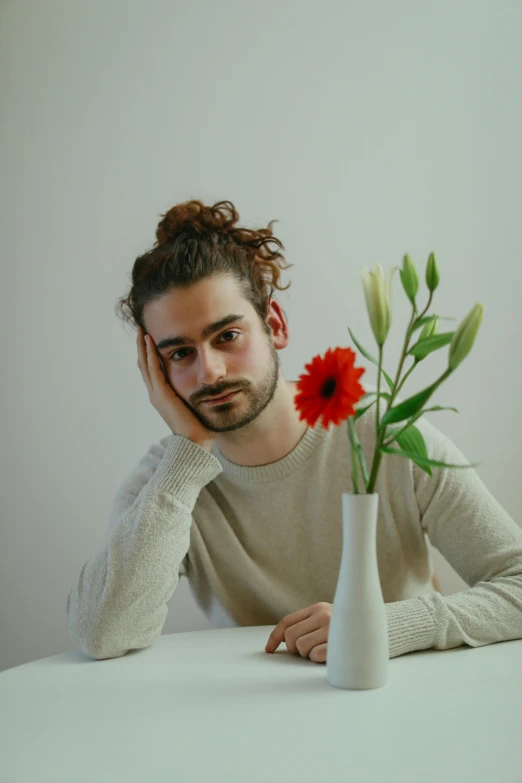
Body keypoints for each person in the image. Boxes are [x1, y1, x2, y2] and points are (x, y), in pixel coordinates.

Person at [66, 199, 522, 663]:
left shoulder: (388, 437)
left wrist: (381, 626)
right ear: (154, 370)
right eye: (180, 353)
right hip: (259, 716)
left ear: (275, 325)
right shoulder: (164, 486)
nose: (210, 372)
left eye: (227, 336)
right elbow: (101, 635)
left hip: (399, 692)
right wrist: (188, 452)